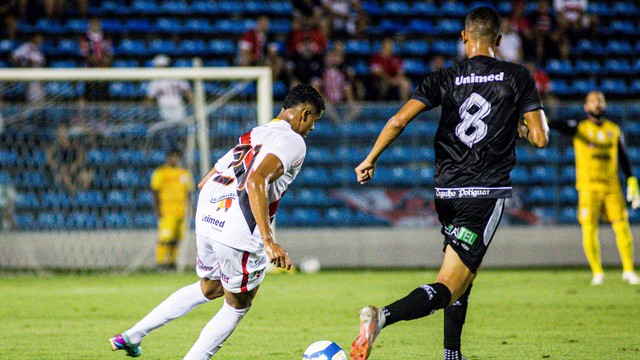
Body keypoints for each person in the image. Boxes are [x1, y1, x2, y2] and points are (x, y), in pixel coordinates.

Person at [350, 7, 549, 360]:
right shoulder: (517, 76)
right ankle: (382, 317)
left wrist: (370, 158)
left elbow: (398, 121)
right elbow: (540, 138)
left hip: (445, 193)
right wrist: (519, 128)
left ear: (464, 37)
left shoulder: (443, 77)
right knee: (450, 284)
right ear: (499, 41)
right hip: (484, 193)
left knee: (463, 274)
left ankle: (451, 354)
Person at [109, 84, 325, 358]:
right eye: (314, 121)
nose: (312, 129)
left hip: (209, 215)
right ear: (305, 114)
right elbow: (256, 180)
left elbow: (205, 180)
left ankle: (131, 335)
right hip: (239, 225)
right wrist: (269, 241)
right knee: (238, 305)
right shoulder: (294, 142)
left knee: (210, 287)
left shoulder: (255, 133)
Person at [550, 91, 640, 286]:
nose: (597, 104)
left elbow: (623, 157)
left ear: (605, 105)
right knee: (589, 229)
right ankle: (597, 272)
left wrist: (632, 179)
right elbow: (556, 125)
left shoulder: (613, 129)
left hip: (611, 187)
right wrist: (538, 118)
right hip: (588, 188)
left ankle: (628, 270)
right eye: (593, 101)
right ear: (586, 107)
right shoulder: (580, 127)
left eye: (600, 101)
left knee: (622, 226)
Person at [150, 148, 194, 271]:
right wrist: (157, 209)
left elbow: (188, 193)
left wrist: (191, 208)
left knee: (176, 239)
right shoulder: (161, 172)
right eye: (172, 156)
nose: (175, 159)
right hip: (166, 211)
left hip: (181, 211)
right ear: (168, 158)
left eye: (177, 156)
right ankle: (160, 262)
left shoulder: (184, 173)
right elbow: (155, 191)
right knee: (165, 239)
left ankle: (171, 262)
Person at [146, 54, 194, 124]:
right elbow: (188, 91)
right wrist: (193, 102)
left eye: (156, 65)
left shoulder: (155, 80)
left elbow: (149, 99)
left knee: (170, 125)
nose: (155, 67)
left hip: (168, 106)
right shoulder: (177, 76)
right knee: (178, 124)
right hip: (175, 105)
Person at [46, 125, 94, 194]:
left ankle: (83, 191)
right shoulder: (53, 145)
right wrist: (57, 166)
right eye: (60, 132)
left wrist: (75, 165)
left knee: (88, 173)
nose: (62, 134)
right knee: (64, 173)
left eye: (64, 132)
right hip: (61, 166)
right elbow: (49, 159)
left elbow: (81, 156)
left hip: (74, 165)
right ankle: (72, 190)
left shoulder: (74, 143)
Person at [79, 17, 113, 100]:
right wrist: (92, 59)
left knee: (104, 88)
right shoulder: (85, 36)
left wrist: (106, 60)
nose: (95, 25)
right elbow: (83, 52)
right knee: (90, 88)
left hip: (104, 66)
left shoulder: (106, 35)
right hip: (90, 66)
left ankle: (104, 104)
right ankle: (88, 100)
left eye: (97, 23)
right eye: (93, 23)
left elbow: (110, 50)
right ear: (90, 24)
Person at [369, 38, 411, 102]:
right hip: (382, 80)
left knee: (405, 82)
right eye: (388, 46)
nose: (390, 48)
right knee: (383, 83)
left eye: (391, 46)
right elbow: (377, 72)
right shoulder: (376, 58)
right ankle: (381, 105)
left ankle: (404, 104)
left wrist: (396, 79)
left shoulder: (396, 58)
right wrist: (389, 80)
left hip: (394, 79)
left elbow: (401, 71)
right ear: (383, 46)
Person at [11, 34, 45, 103]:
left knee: (38, 93)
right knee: (31, 93)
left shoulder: (38, 48)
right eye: (38, 38)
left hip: (37, 72)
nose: (40, 40)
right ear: (33, 38)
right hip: (29, 72)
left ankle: (37, 108)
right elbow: (13, 56)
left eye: (41, 39)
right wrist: (21, 67)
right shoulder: (26, 46)